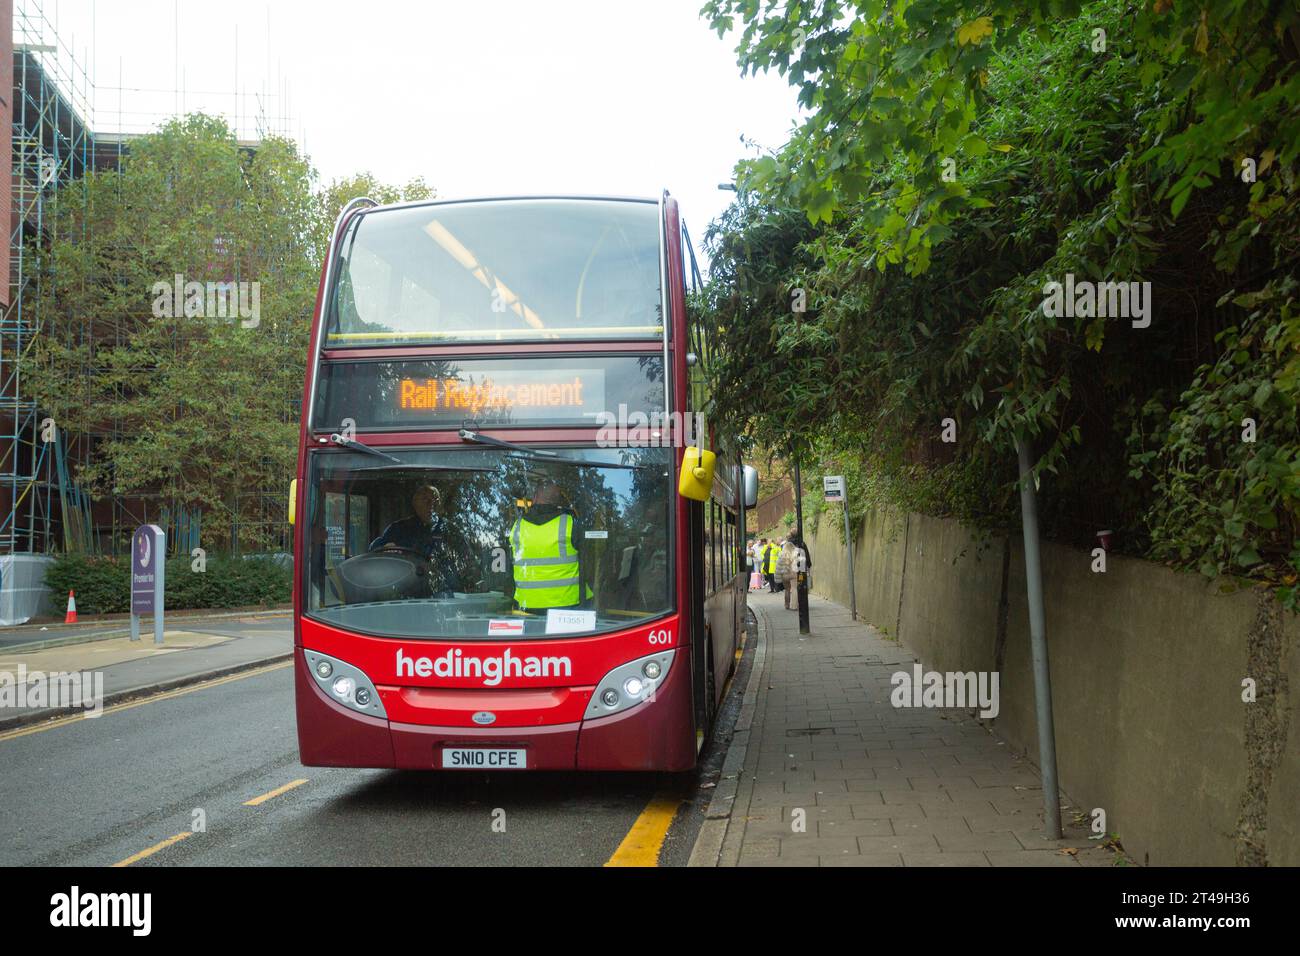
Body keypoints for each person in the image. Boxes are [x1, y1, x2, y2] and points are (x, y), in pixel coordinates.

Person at [508, 478, 593, 612]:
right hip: (569, 609)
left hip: (527, 609)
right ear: (558, 502)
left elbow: (509, 569)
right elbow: (589, 566)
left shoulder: (517, 527)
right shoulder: (570, 524)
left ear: (534, 497)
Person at [369, 483, 460, 593]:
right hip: (406, 592)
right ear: (415, 504)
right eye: (425, 499)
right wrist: (386, 549)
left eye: (435, 499)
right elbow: (375, 550)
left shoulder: (450, 530)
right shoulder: (398, 528)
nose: (431, 503)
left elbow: (466, 559)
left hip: (444, 593)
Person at [778, 539, 799, 609]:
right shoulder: (796, 553)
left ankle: (786, 605)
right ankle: (794, 606)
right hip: (793, 573)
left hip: (785, 574)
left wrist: (778, 576)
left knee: (787, 589)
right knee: (794, 589)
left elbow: (778, 567)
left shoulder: (781, 554)